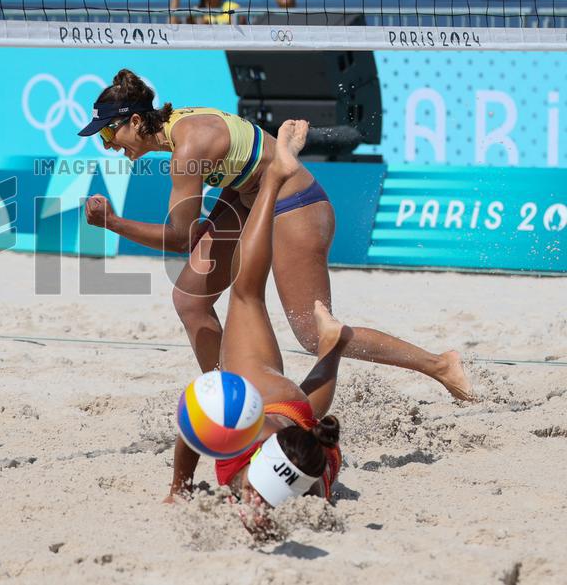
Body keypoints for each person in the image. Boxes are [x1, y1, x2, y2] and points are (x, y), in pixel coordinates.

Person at [75, 70, 473, 494]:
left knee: (311, 330)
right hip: (248, 196)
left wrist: (112, 223)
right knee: (190, 299)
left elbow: (178, 238)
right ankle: (232, 406)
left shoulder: (187, 147)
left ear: (136, 122)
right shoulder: (179, 131)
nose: (109, 145)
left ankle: (439, 365)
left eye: (109, 134)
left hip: (295, 202)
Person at [175, 120, 347, 513]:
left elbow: (191, 425)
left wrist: (180, 488)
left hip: (294, 418)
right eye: (257, 493)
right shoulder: (251, 436)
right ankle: (272, 179)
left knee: (245, 293)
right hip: (278, 409)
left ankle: (331, 352)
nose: (253, 503)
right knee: (246, 292)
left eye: (254, 495)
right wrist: (178, 488)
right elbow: (194, 424)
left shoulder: (313, 487)